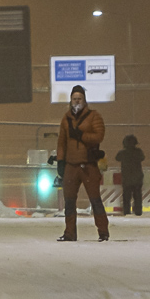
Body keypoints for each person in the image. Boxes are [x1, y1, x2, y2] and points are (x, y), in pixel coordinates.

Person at [55, 85, 108, 241]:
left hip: (88, 165)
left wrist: (81, 135)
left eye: (79, 98)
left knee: (95, 199)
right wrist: (60, 161)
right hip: (71, 165)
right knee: (69, 200)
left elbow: (99, 136)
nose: (77, 101)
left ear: (84, 100)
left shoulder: (94, 116)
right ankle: (69, 233)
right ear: (71, 100)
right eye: (74, 98)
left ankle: (103, 232)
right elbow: (61, 142)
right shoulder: (66, 119)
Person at [115, 134, 145, 216]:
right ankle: (138, 211)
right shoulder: (138, 152)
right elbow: (142, 158)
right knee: (137, 196)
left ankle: (126, 211)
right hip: (137, 177)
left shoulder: (122, 153)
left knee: (126, 196)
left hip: (126, 177)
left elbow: (117, 158)